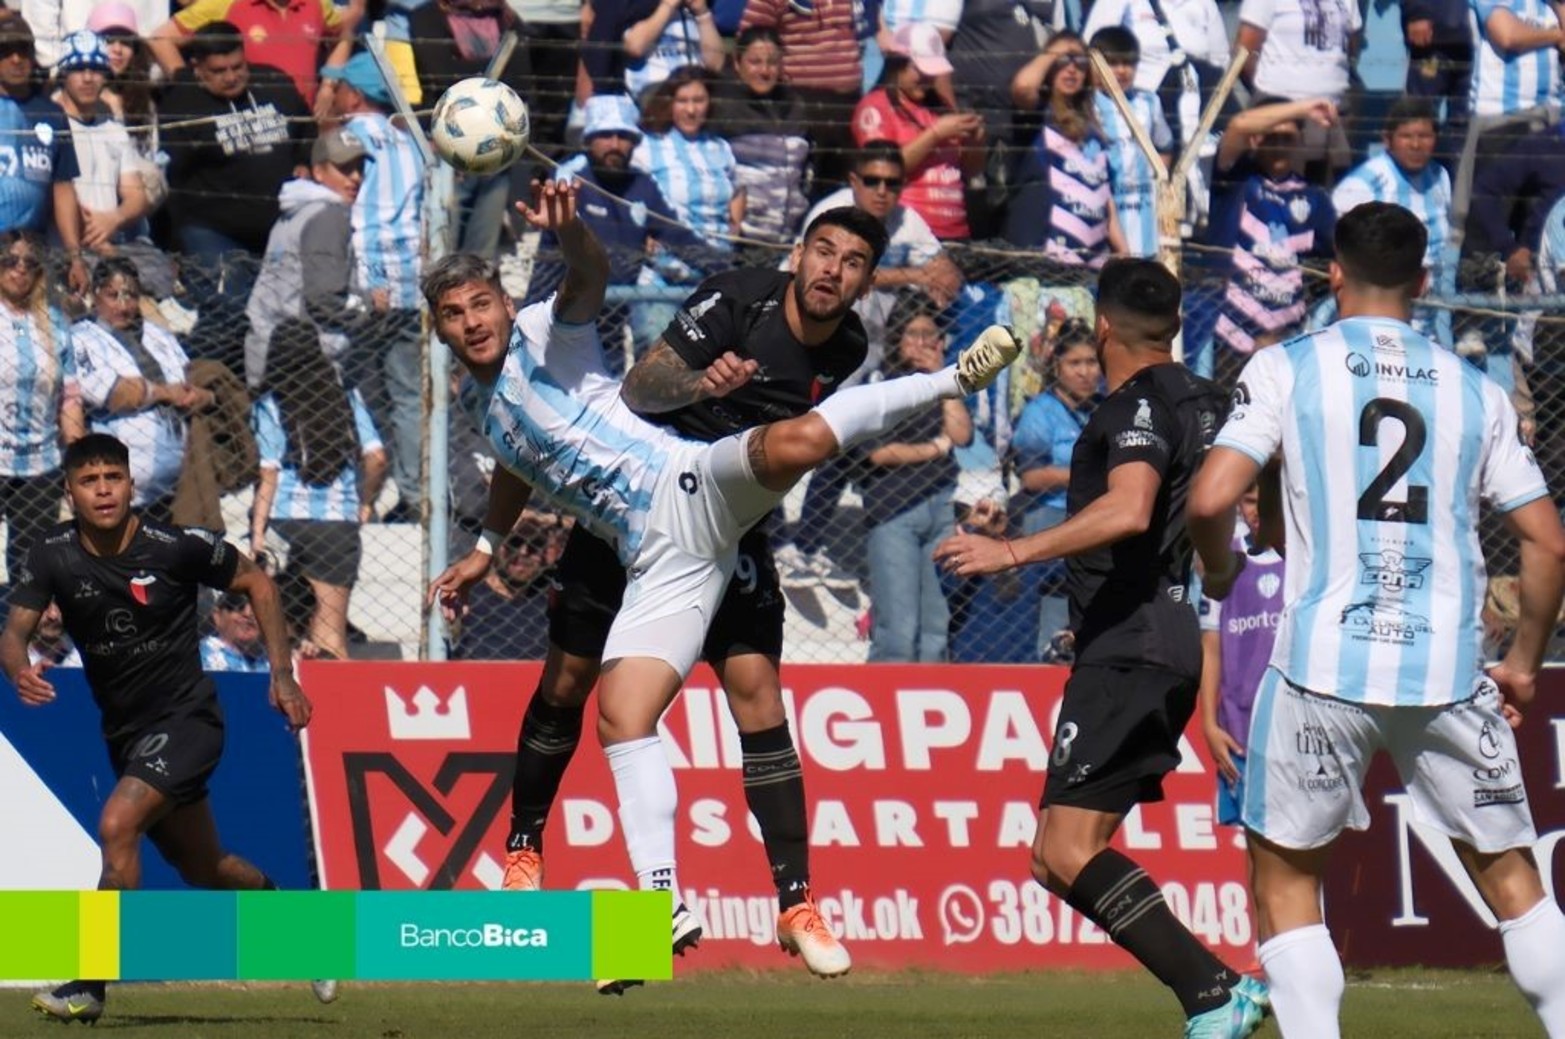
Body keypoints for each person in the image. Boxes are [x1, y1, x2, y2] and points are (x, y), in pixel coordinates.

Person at [427, 181, 1018, 989]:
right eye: (454, 314)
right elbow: (515, 462)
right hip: (653, 555)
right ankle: (656, 904)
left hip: (694, 484)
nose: (473, 321)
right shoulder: (483, 405)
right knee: (620, 715)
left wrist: (571, 235)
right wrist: (486, 546)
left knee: (800, 444)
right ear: (439, 329)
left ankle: (952, 379)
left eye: (481, 304)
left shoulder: (542, 330)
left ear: (503, 301)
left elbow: (589, 279)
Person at [1188, 201, 1565, 1039]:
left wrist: (1216, 570)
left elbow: (1210, 499)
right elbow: (1546, 540)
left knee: (1287, 884)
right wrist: (1523, 663)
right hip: (1445, 670)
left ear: (1332, 274)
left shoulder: (1287, 367)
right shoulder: (1474, 390)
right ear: (1423, 281)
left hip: (1318, 668)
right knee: (1515, 883)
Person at [934, 257, 1269, 1038]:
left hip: (1132, 642)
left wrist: (1012, 551)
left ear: (1106, 326)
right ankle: (1217, 985)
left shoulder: (1133, 405)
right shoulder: (1213, 400)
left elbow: (1129, 507)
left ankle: (1213, 991)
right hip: (1163, 635)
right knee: (1053, 855)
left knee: (1066, 850)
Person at [0, 433, 327, 1024]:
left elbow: (258, 583)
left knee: (117, 823)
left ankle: (90, 985)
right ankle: (301, 926)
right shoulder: (52, 553)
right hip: (126, 733)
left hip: (188, 719)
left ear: (131, 484)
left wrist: (282, 676)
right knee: (203, 867)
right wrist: (19, 670)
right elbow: (13, 634)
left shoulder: (176, 546)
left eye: (113, 478)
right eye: (89, 481)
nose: (103, 490)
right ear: (70, 492)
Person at [856, 293, 971, 661]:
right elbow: (879, 452)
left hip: (940, 507)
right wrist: (935, 448)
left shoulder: (942, 385)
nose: (922, 344)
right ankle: (885, 696)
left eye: (930, 336)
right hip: (894, 509)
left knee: (935, 627)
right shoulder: (879, 382)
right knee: (898, 631)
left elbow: (961, 435)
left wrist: (944, 379)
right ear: (897, 338)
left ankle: (931, 693)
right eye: (914, 335)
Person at [74, 258, 210, 523]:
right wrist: (167, 393)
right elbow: (116, 394)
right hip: (118, 494)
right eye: (113, 295)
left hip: (177, 491)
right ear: (94, 295)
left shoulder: (158, 335)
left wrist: (198, 395)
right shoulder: (82, 338)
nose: (124, 306)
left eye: (131, 296)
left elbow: (190, 379)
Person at [0, 230, 86, 593]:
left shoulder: (54, 323)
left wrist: (78, 461)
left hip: (41, 462)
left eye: (29, 263)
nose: (20, 269)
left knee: (31, 568)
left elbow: (70, 399)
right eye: (10, 260)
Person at [200, 590, 269, 672]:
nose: (248, 613)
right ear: (217, 616)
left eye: (257, 608)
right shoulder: (203, 655)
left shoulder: (268, 661)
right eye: (238, 607)